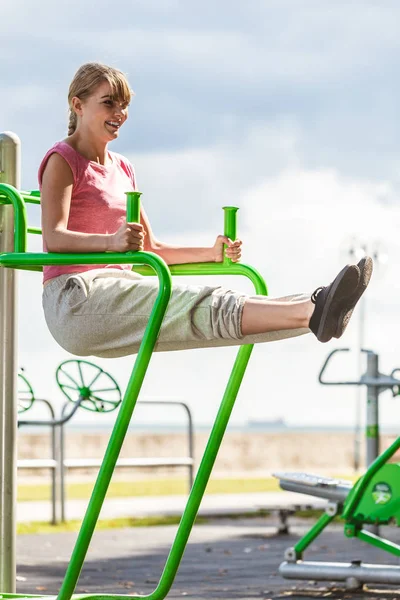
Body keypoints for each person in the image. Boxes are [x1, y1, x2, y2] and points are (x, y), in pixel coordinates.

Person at [39, 62, 373, 359]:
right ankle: (315, 308)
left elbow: (151, 249)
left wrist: (211, 253)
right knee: (203, 302)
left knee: (211, 312)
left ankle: (315, 307)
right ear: (77, 105)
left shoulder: (123, 168)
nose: (119, 113)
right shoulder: (63, 160)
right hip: (76, 299)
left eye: (124, 105)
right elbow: (54, 238)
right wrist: (111, 243)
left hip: (118, 288)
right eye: (108, 103)